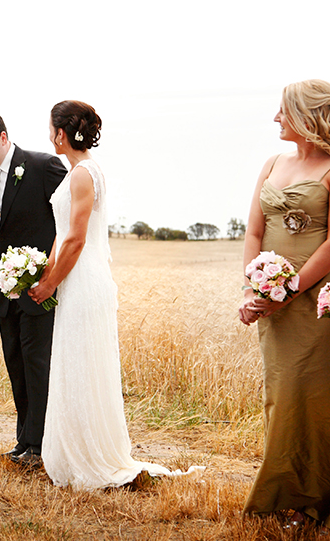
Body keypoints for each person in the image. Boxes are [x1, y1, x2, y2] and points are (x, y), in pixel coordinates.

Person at [29, 100, 197, 490]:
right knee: (74, 363)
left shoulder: (83, 175)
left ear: (60, 132)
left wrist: (50, 283)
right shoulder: (80, 171)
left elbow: (76, 238)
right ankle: (74, 452)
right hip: (74, 276)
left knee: (83, 363)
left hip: (83, 280)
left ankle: (91, 458)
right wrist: (43, 268)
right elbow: (62, 233)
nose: (48, 136)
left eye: (49, 129)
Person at [238, 80, 330, 533]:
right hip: (272, 299)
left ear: (307, 116)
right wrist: (255, 287)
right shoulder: (274, 162)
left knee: (314, 397)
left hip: (317, 299)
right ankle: (283, 491)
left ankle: (318, 499)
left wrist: (284, 292)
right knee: (282, 395)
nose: (276, 118)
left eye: (283, 111)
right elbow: (254, 230)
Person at [0, 109, 66, 466]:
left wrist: (50, 276)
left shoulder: (43, 167)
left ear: (3, 138)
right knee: (16, 361)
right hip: (4, 289)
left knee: (38, 363)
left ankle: (41, 446)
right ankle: (24, 442)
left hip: (43, 287)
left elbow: (67, 223)